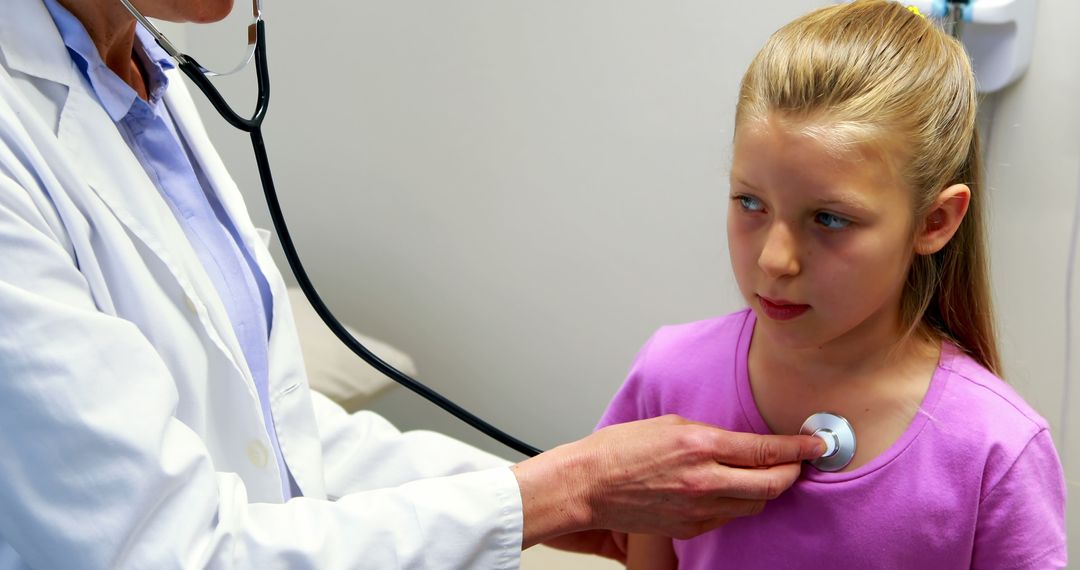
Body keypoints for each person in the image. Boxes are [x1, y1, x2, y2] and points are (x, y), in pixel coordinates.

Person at [0, 0, 830, 567]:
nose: (778, 258)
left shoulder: (137, 80)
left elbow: (274, 435)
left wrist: (558, 491)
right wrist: (558, 493)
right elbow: (166, 550)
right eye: (748, 202)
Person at [596, 1, 1068, 568]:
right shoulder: (670, 376)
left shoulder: (994, 450)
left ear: (934, 222)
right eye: (750, 202)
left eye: (829, 219)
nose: (774, 260)